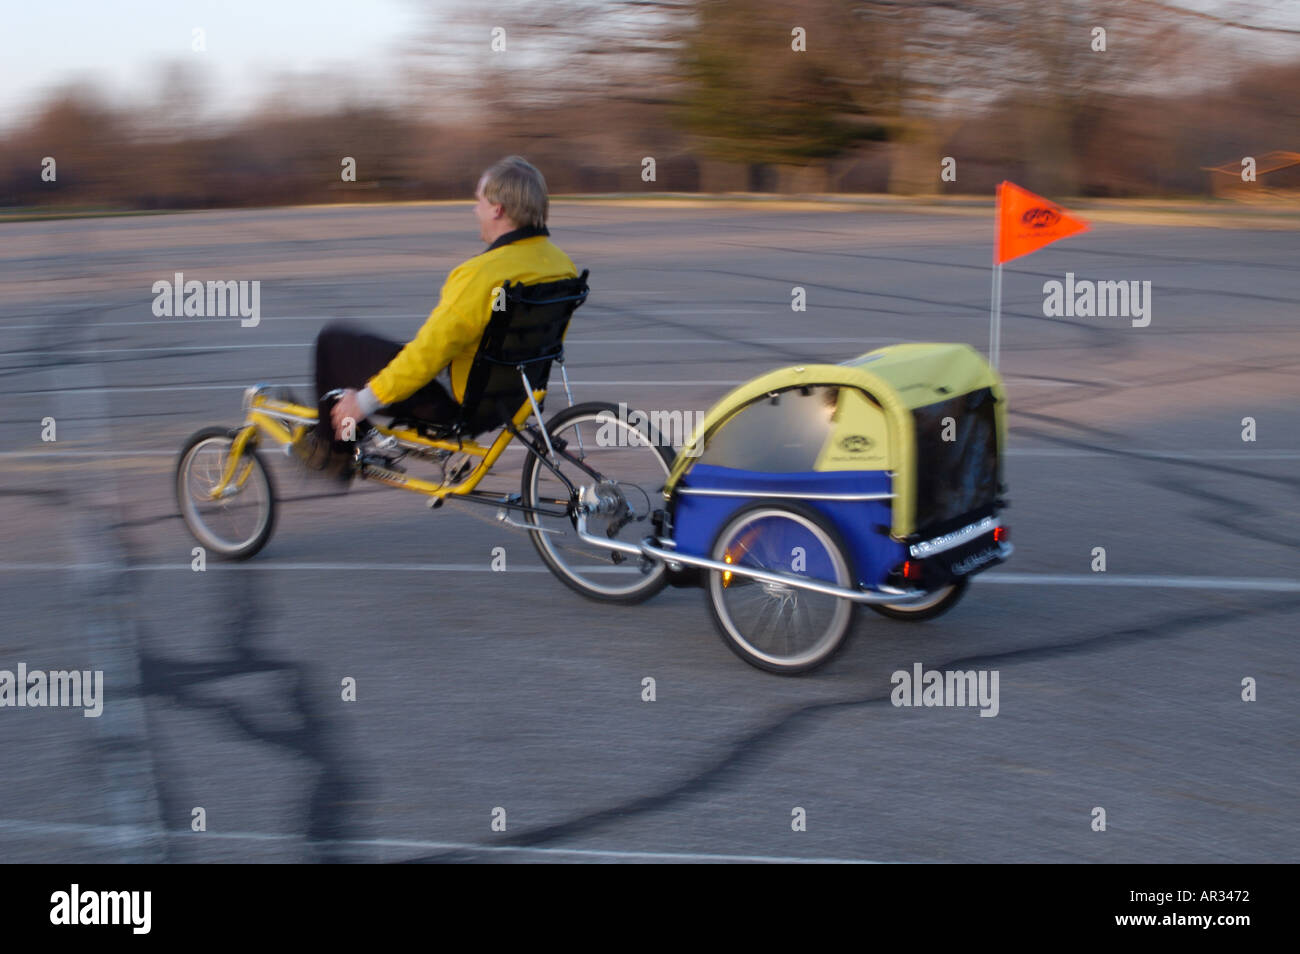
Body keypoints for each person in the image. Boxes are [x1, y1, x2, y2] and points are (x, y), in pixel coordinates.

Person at [292, 155, 579, 481]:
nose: (475, 211)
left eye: (479, 201)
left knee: (334, 344)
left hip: (457, 407)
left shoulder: (479, 275)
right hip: (515, 398)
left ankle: (333, 452)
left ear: (498, 209)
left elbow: (427, 354)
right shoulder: (561, 266)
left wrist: (364, 401)